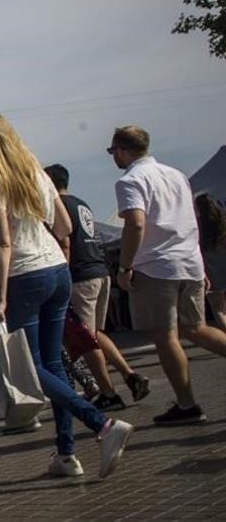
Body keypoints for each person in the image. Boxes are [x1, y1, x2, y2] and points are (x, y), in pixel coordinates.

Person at [0, 113, 132, 478]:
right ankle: (65, 453)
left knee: (30, 366)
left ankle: (101, 424)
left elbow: (2, 241)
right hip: (57, 270)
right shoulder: (36, 172)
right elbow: (65, 226)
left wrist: (1, 298)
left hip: (26, 275)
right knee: (54, 364)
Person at [110, 126, 226, 424]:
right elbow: (191, 220)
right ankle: (185, 403)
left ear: (122, 150)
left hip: (157, 265)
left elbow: (135, 224)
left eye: (113, 153)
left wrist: (125, 266)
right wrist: (198, 260)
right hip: (189, 261)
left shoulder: (131, 181)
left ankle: (186, 404)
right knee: (196, 328)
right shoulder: (177, 175)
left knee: (166, 335)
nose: (115, 158)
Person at [43, 163, 150, 411]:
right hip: (100, 271)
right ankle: (129, 374)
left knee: (85, 338)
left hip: (80, 275)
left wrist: (63, 276)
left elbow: (64, 242)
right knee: (98, 333)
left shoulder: (58, 207)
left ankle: (108, 392)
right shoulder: (82, 204)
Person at [194, 193, 226, 330]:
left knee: (218, 308)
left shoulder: (197, 227)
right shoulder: (223, 221)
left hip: (210, 269)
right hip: (223, 261)